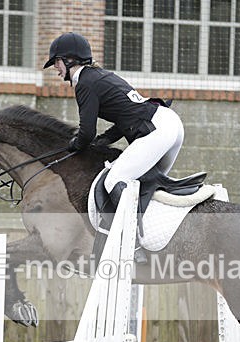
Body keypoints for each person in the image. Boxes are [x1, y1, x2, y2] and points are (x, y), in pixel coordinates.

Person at [44, 32, 185, 261]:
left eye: (56, 62)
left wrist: (74, 146)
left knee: (113, 181)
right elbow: (123, 119)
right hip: (169, 124)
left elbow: (86, 132)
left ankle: (134, 246)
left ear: (70, 59)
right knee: (146, 185)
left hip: (159, 130)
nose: (56, 69)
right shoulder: (100, 76)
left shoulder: (85, 83)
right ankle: (155, 237)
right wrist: (102, 141)